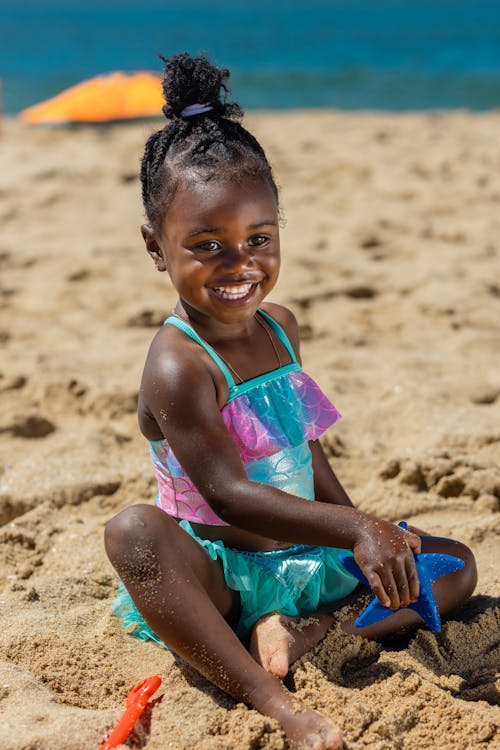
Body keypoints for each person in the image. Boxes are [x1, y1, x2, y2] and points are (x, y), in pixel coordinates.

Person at [104, 53, 477, 750]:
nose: (238, 263)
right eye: (206, 246)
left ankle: (306, 633)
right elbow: (229, 496)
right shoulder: (179, 365)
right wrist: (356, 530)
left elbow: (305, 447)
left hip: (301, 565)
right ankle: (270, 697)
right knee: (132, 533)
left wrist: (363, 527)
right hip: (219, 571)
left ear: (279, 228)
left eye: (259, 239)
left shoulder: (282, 328)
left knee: (452, 563)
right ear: (156, 248)